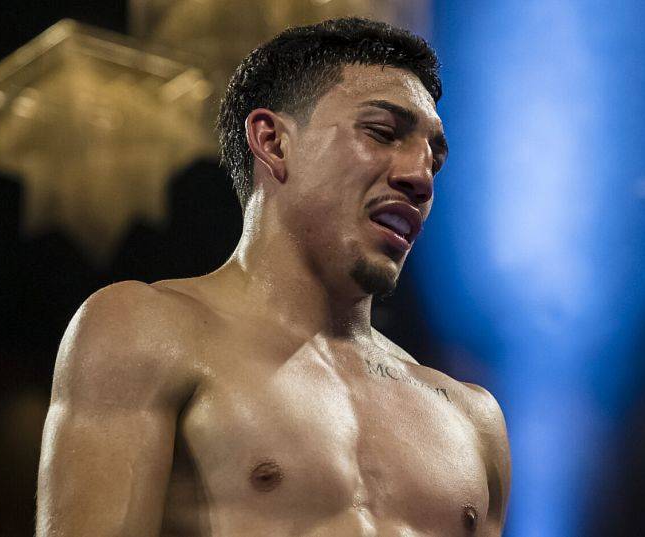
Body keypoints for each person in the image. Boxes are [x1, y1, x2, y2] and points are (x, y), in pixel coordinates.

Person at [36, 17, 510, 537]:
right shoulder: (145, 332)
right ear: (273, 142)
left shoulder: (473, 418)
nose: (419, 177)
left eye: (433, 159)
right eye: (382, 133)